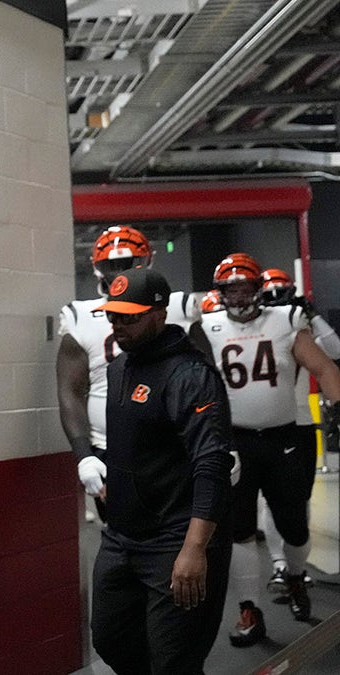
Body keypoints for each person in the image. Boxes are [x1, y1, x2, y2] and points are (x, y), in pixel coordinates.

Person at [89, 267, 235, 675]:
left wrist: (194, 549)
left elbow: (212, 465)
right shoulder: (120, 367)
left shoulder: (189, 374)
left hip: (175, 539)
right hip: (122, 536)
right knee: (110, 638)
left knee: (175, 660)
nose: (119, 326)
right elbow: (136, 442)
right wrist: (115, 482)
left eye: (130, 317)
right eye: (113, 316)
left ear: (160, 312)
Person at [201, 253, 340, 646]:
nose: (239, 296)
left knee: (294, 525)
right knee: (239, 529)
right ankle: (250, 609)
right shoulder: (207, 326)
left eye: (245, 287)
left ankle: (295, 577)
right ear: (220, 293)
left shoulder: (285, 321)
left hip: (285, 438)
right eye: (231, 288)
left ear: (258, 290)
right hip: (234, 441)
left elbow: (326, 367)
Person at [57, 226, 211, 523]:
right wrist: (84, 454)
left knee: (178, 528)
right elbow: (70, 391)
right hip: (110, 447)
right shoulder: (80, 316)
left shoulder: (176, 305)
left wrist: (218, 442)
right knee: (119, 530)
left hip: (173, 447)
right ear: (97, 268)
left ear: (147, 262)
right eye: (110, 265)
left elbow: (207, 382)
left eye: (127, 263)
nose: (118, 272)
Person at [255, 268, 340, 602]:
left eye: (283, 295)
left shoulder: (298, 330)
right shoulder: (260, 331)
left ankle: (295, 565)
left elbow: (334, 349)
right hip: (268, 423)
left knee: (299, 498)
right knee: (270, 498)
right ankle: (279, 563)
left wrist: (312, 315)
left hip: (301, 424)